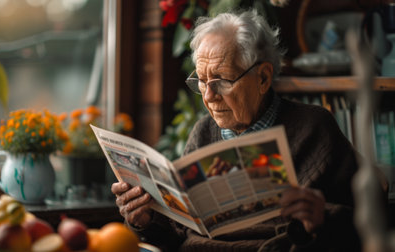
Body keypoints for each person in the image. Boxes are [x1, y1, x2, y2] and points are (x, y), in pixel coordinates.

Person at [112, 9, 383, 251]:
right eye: (202, 81)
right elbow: (176, 235)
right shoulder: (203, 132)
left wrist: (321, 219)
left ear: (263, 78)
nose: (208, 96)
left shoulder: (314, 127)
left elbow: (370, 222)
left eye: (220, 81)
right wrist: (145, 219)